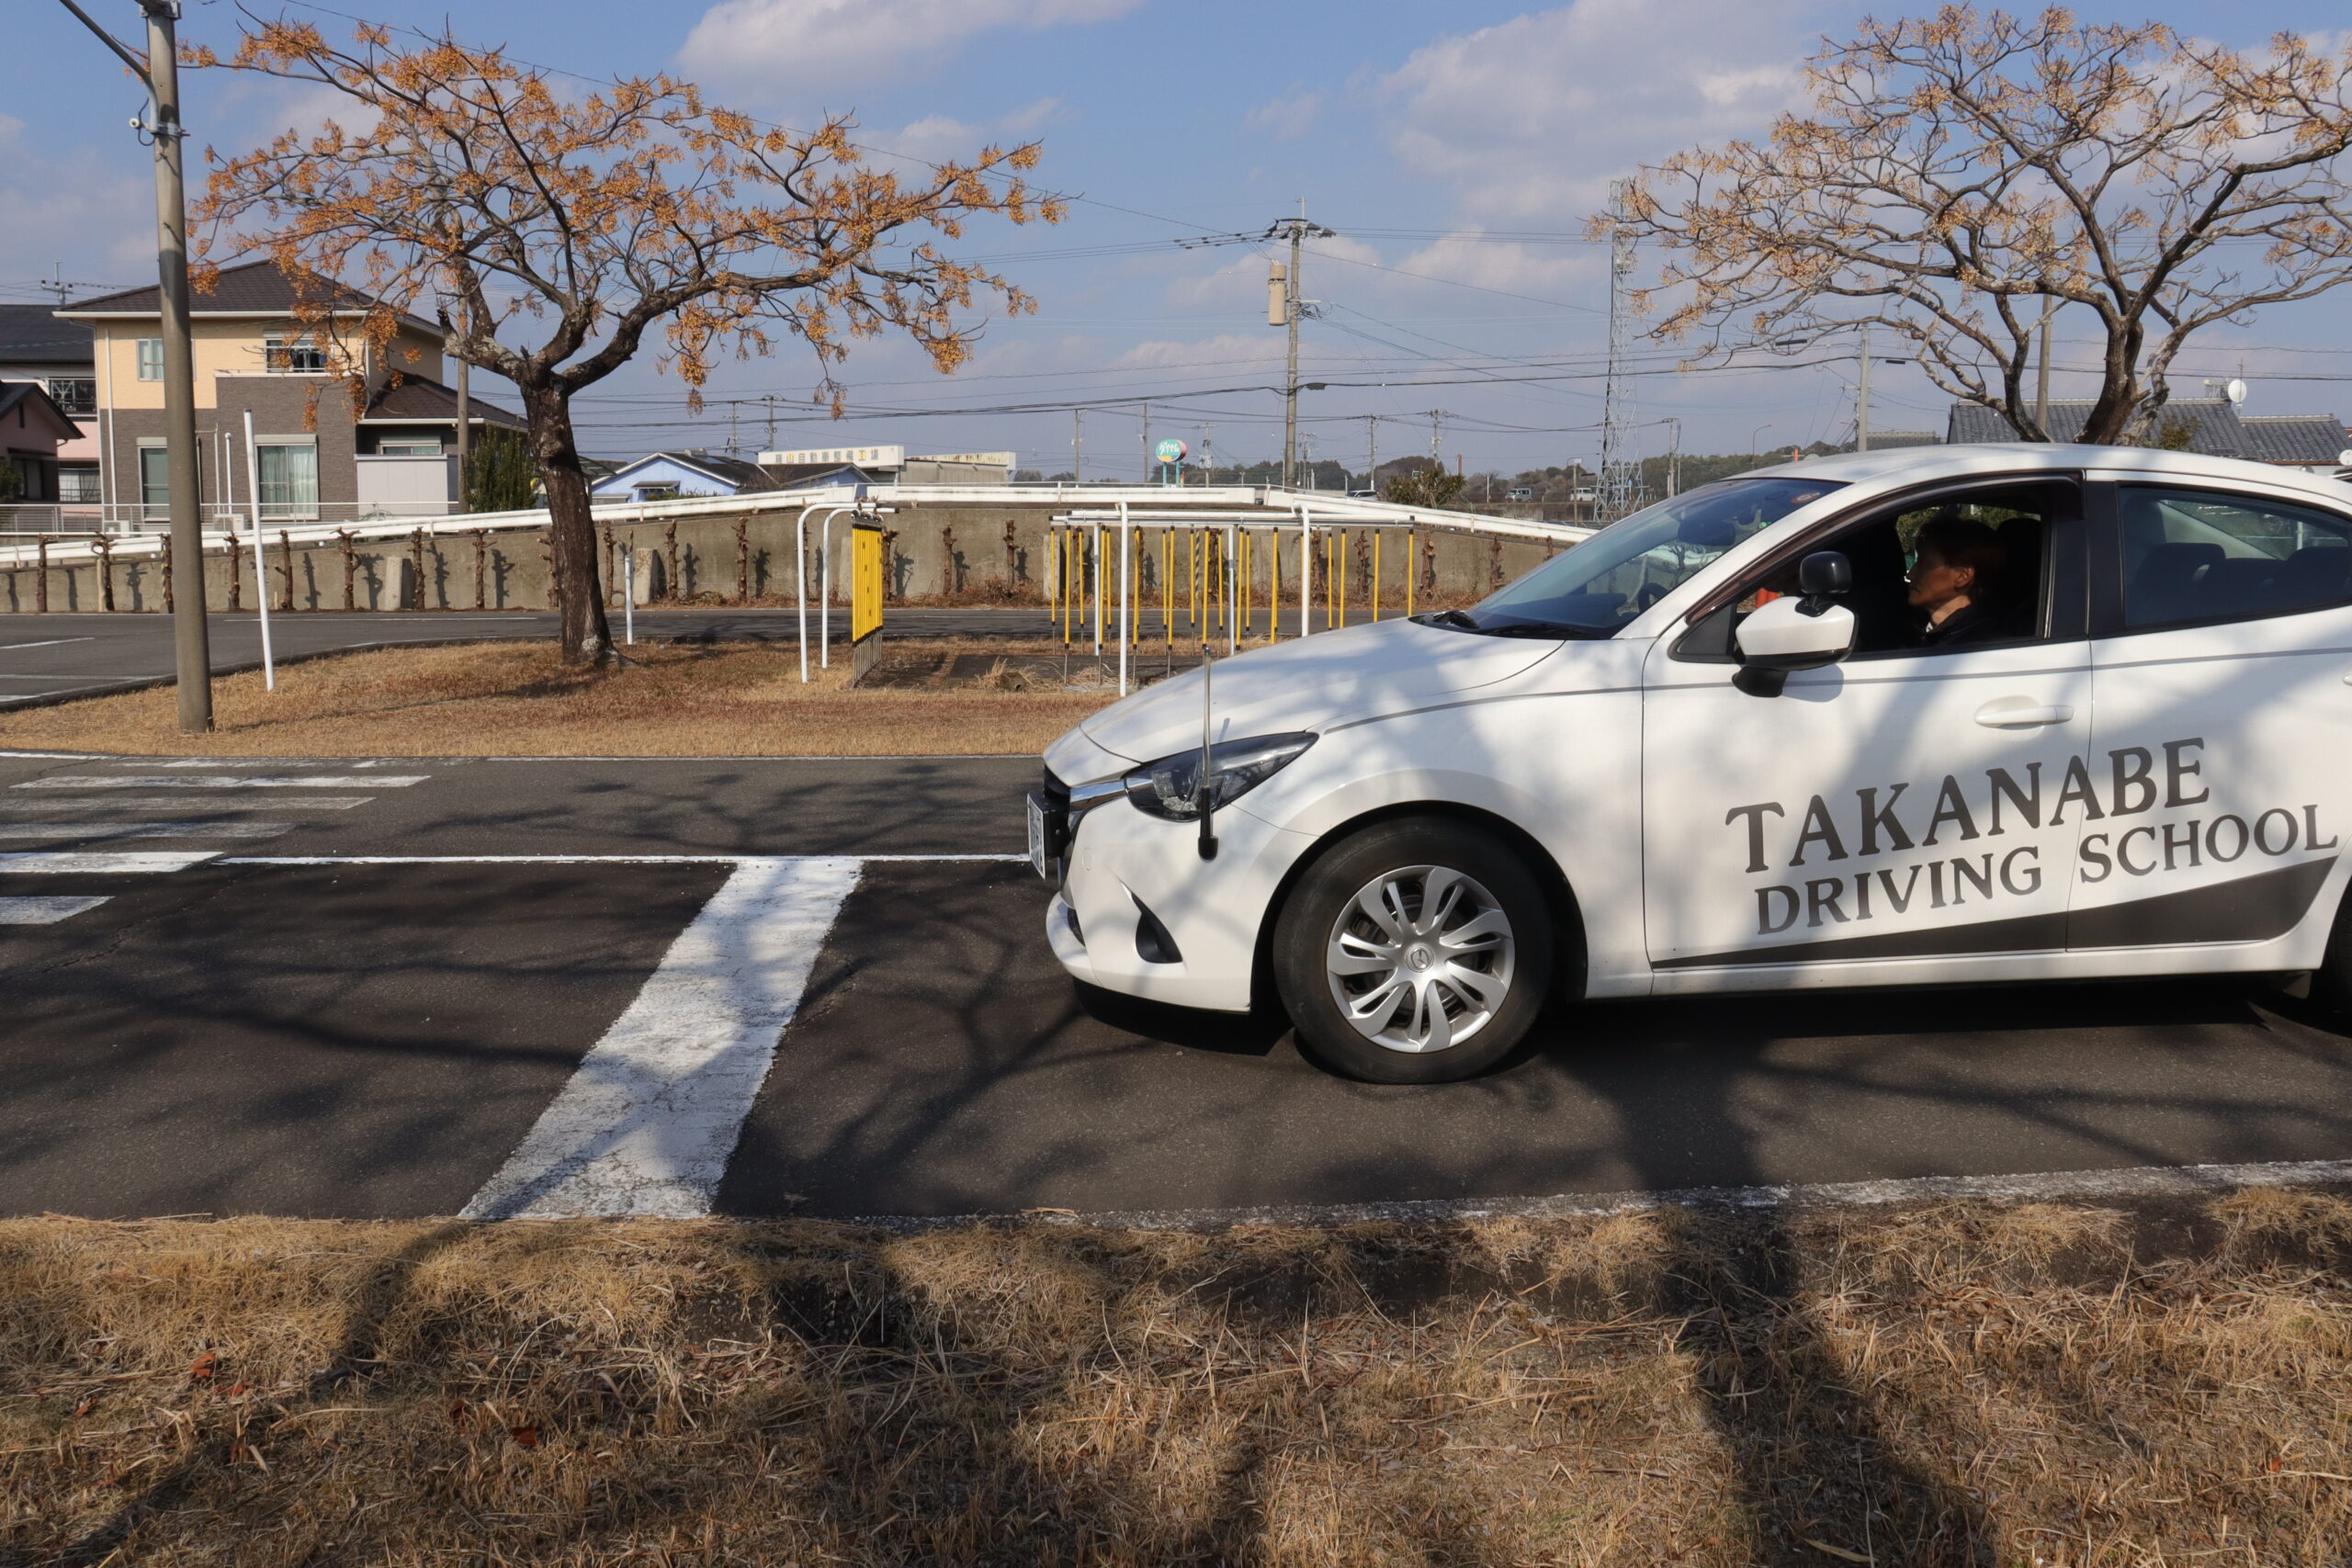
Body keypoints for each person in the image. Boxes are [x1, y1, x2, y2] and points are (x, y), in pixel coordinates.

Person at [1906, 516, 2008, 648]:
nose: (1911, 573)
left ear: (1962, 576)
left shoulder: (1977, 646)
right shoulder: (1929, 632)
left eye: (1924, 563)